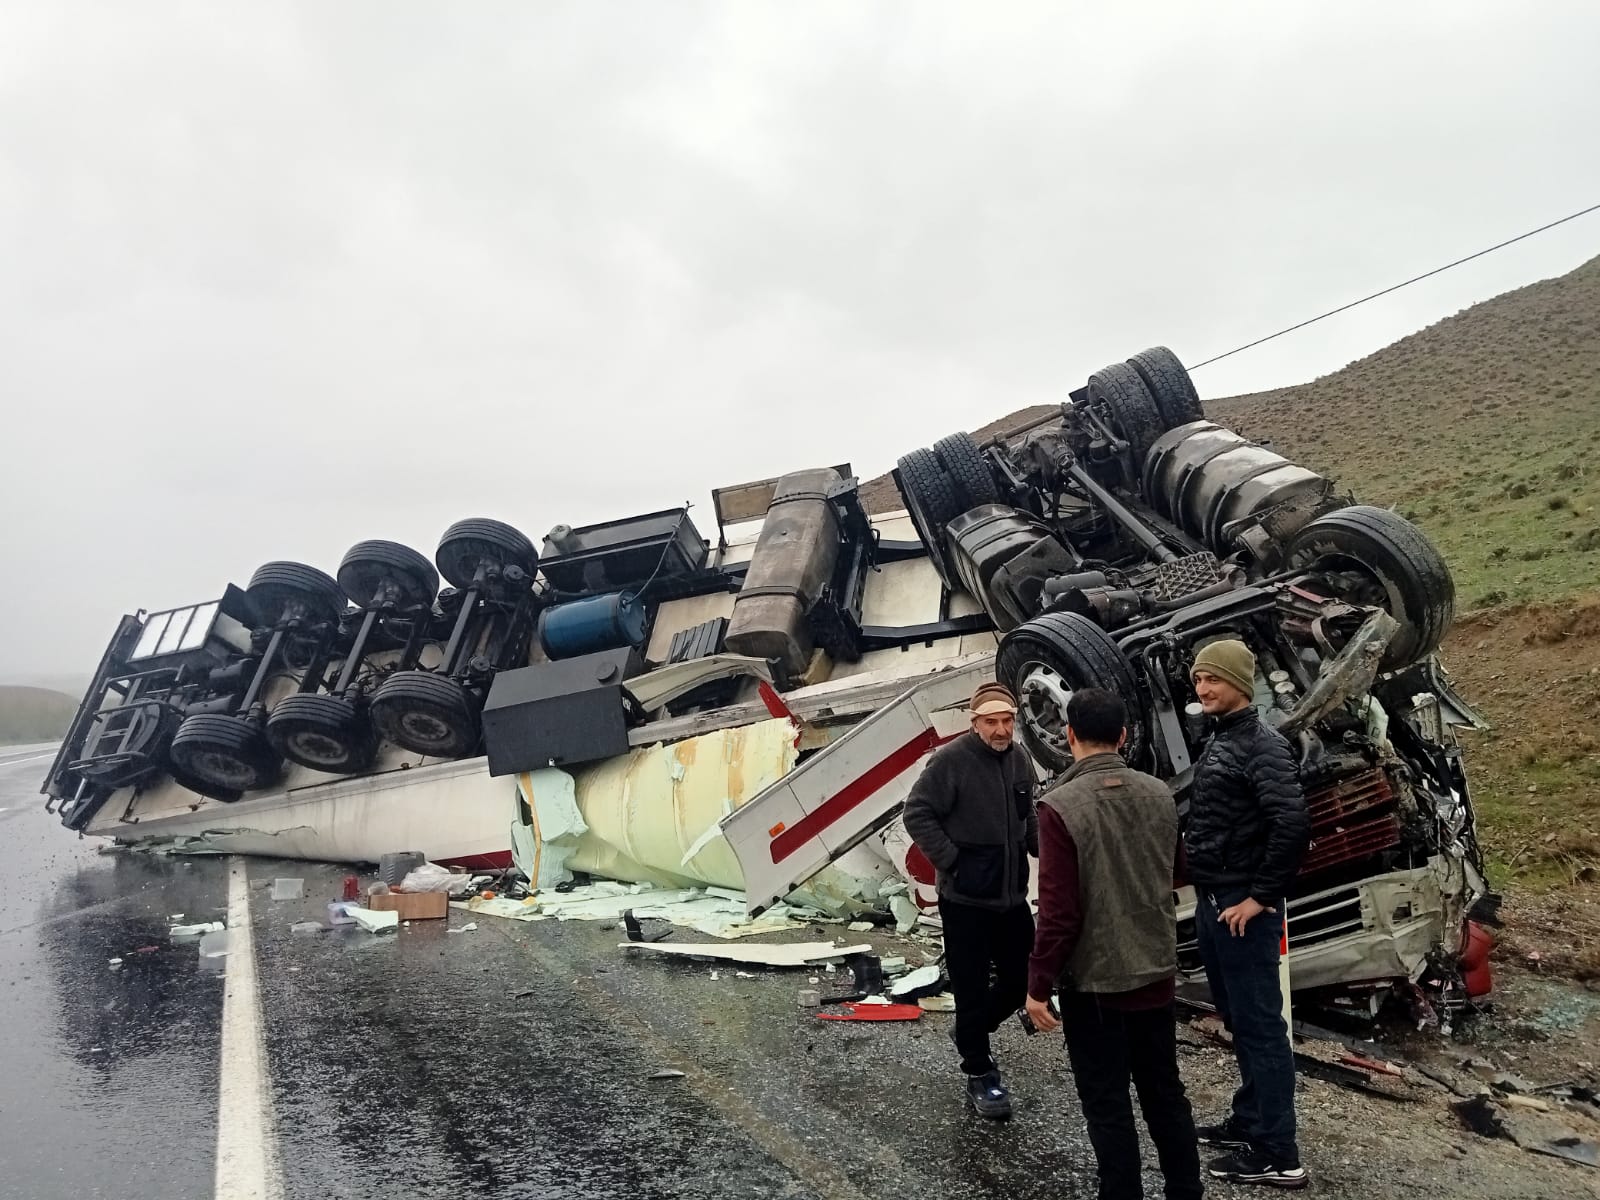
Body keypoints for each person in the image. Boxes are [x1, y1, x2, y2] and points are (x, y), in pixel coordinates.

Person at [1024, 687, 1202, 1200]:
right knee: (1165, 1094)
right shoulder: (1159, 793)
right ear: (1123, 736)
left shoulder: (1058, 807)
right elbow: (1178, 871)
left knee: (1108, 1104)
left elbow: (1059, 913)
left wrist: (1038, 985)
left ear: (1069, 735)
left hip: (1096, 983)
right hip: (1155, 971)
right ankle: (1186, 1191)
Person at [1184, 638, 1311, 1190]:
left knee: (1261, 1029)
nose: (1203, 688)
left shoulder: (1263, 745)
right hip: (1216, 902)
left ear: (1239, 682)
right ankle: (1251, 1120)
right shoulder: (1223, 738)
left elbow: (1292, 825)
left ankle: (1280, 1154)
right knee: (1240, 1020)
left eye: (1212, 679)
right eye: (1198, 680)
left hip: (1242, 908)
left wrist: (1259, 898)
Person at [902, 680, 1039, 1119]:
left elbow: (1029, 811)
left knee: (1025, 979)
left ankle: (971, 1030)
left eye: (1007, 721)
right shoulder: (951, 761)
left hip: (1011, 897)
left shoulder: (1019, 758)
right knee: (971, 987)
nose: (1001, 730)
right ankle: (980, 1071)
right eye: (991, 722)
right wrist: (953, 861)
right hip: (965, 900)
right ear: (975, 723)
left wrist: (1041, 847)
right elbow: (916, 812)